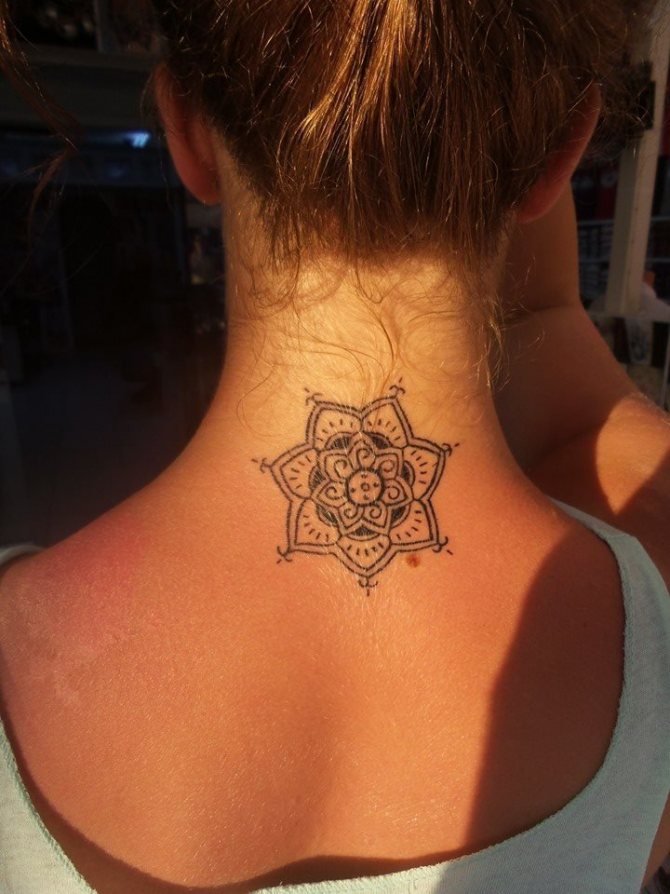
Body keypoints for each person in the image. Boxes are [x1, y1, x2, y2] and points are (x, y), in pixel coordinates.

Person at [1, 1, 669, 892]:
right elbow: (565, 356)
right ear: (562, 156)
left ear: (186, 128)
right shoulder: (648, 626)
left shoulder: (18, 657)